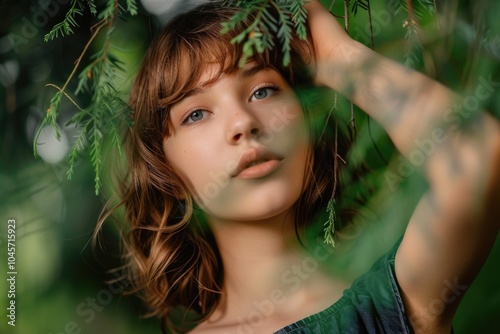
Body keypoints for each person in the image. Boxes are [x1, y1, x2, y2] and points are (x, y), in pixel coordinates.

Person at [101, 0, 500, 333]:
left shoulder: (393, 304)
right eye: (196, 114)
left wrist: (334, 57)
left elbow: (477, 157)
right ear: (165, 171)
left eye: (263, 90)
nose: (243, 123)